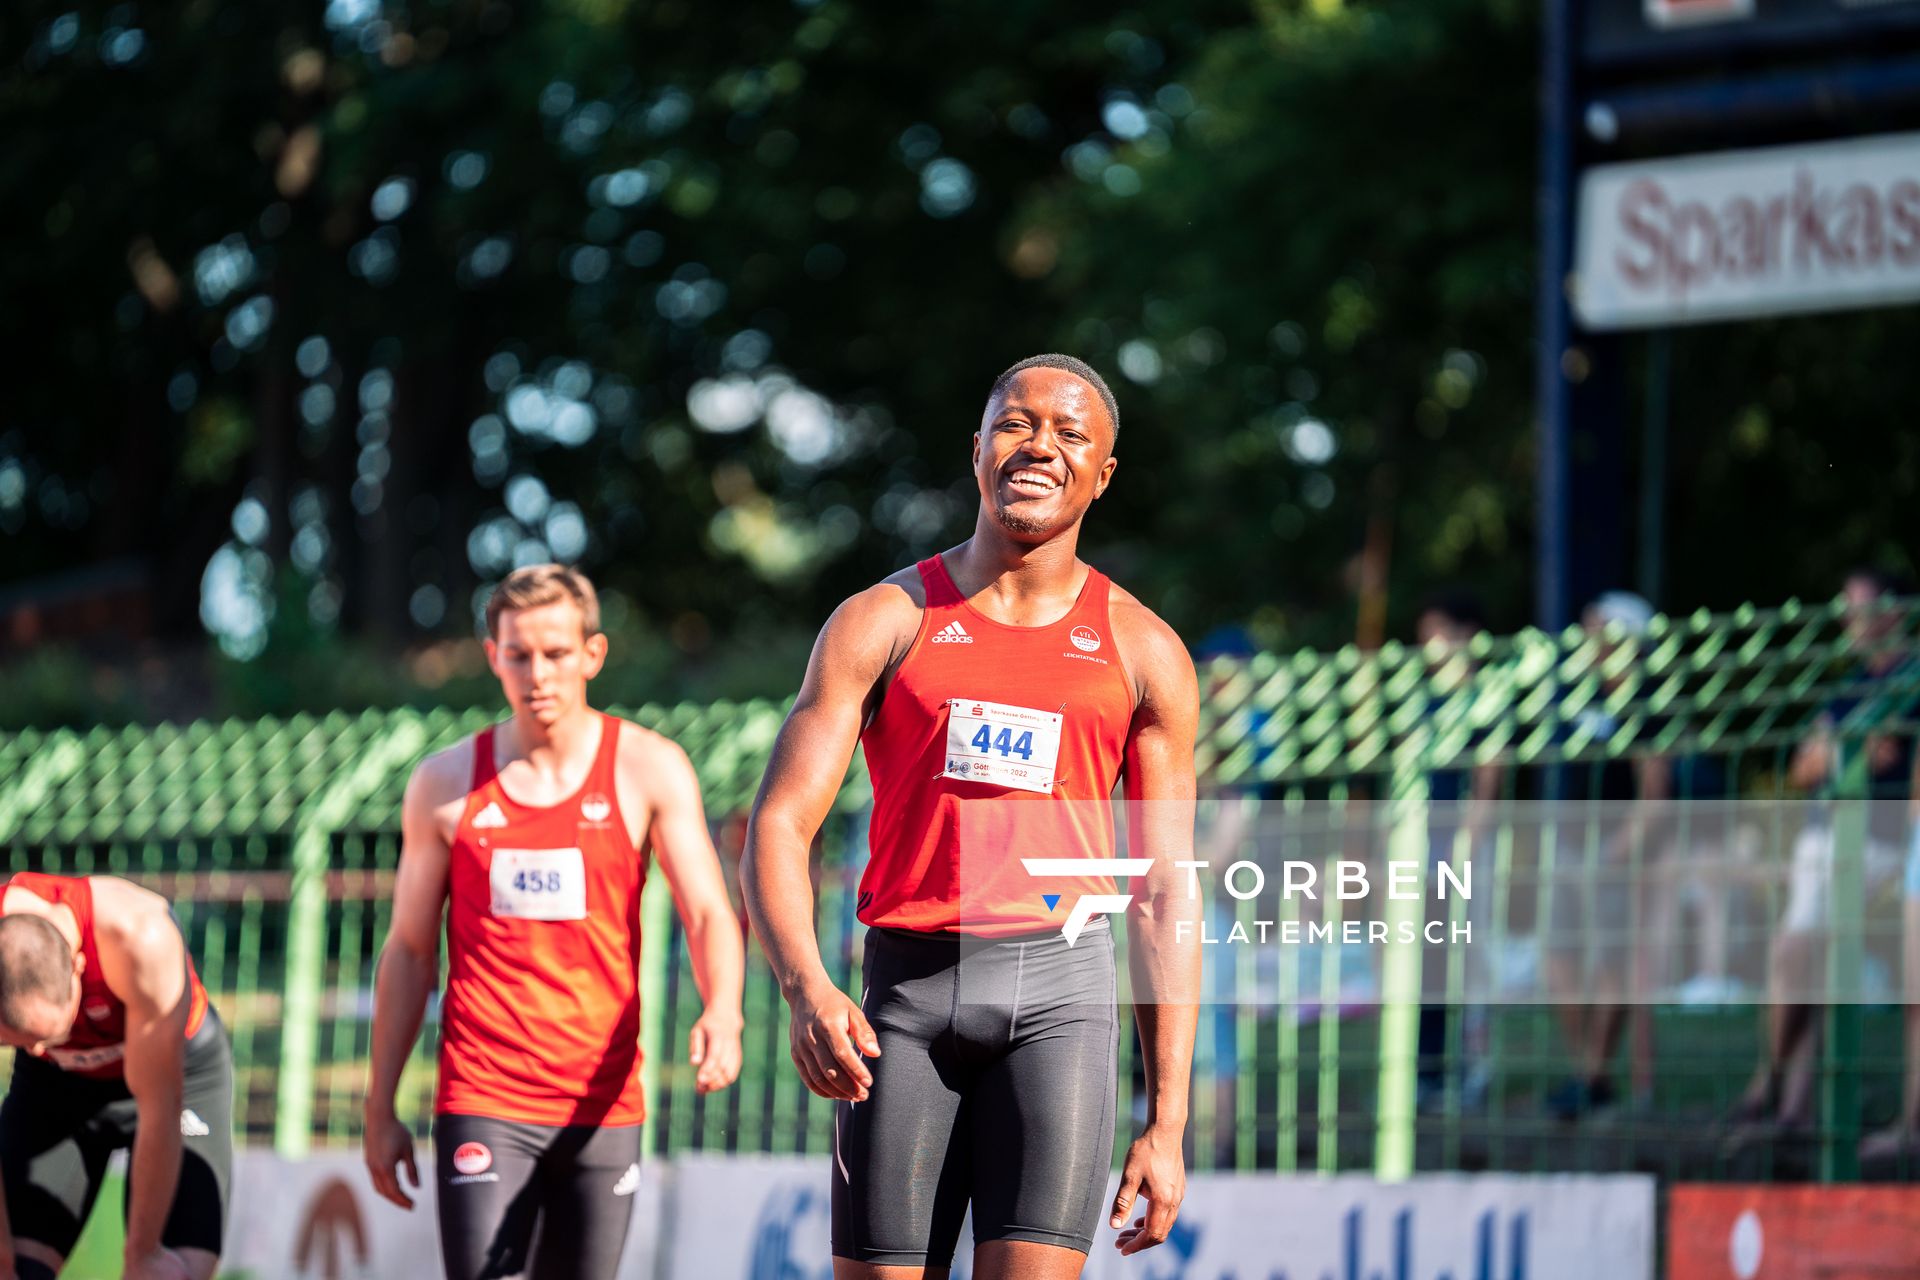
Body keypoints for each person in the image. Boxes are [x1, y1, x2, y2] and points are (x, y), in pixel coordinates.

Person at [742, 354, 1200, 1279]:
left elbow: (1163, 894)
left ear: (1104, 473)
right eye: (1017, 423)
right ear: (979, 448)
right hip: (904, 1005)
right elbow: (779, 827)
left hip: (1061, 1006)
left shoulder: (1145, 650)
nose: (1040, 446)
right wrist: (804, 988)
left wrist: (1169, 1120)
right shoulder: (883, 620)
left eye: (1071, 433)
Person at [364, 564, 745, 1280]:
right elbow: (410, 951)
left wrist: (723, 1010)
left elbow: (706, 911)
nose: (538, 674)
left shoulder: (649, 769)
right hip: (485, 1093)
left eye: (557, 654)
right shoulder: (445, 785)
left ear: (592, 655)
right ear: (493, 657)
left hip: (604, 1102)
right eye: (519, 655)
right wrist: (379, 1103)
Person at [1737, 568, 1917, 1132]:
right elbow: (1804, 766)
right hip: (1828, 839)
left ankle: (1769, 1081)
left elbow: (1884, 768)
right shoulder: (1853, 688)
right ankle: (1792, 1105)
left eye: (1858, 607)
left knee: (1798, 953)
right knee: (1799, 958)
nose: (1847, 620)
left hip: (1882, 842)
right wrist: (1850, 753)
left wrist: (1837, 755)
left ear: (1896, 611)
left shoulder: (1910, 681)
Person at [0, 873, 232, 1280]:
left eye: (50, 1035)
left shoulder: (140, 938)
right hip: (54, 1089)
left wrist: (143, 1252)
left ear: (78, 966)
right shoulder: (44, 1056)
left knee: (171, 1272)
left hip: (178, 1077)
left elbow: (160, 1105)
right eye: (20, 1043)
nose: (39, 1049)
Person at [1543, 591, 1672, 1120]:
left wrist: (1617, 854)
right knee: (1559, 960)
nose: (1589, 640)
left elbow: (1654, 793)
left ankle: (1598, 1074)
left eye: (1599, 630)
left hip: (1617, 854)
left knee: (1616, 965)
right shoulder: (1577, 697)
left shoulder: (1647, 706)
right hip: (1570, 846)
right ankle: (1587, 1073)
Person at [1413, 589, 1504, 1113]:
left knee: (1469, 962)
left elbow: (1488, 778)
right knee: (1425, 959)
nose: (1429, 649)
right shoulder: (1421, 700)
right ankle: (1427, 1072)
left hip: (1464, 853)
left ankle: (1473, 1073)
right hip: (1422, 849)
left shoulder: (1484, 698)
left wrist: (1466, 850)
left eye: (1438, 636)